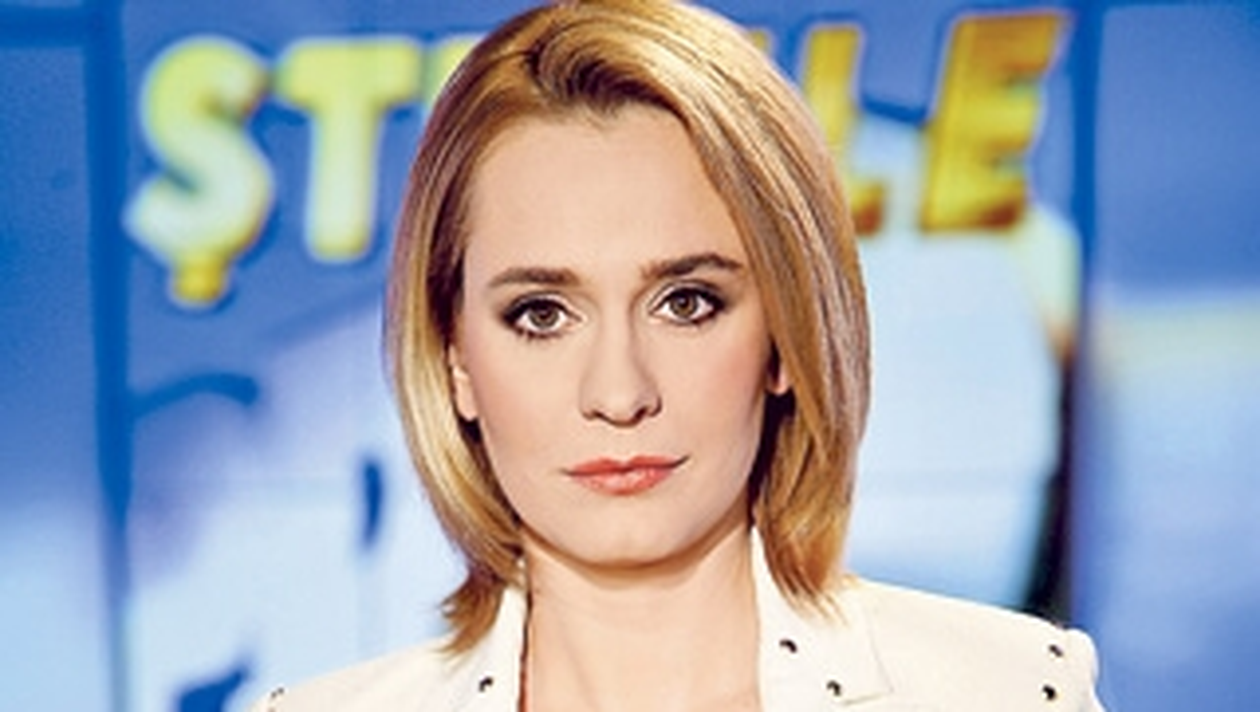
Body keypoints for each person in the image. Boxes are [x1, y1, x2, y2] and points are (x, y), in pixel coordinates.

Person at [253, 0, 1105, 709]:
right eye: (542, 315)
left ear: (785, 337)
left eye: (686, 303)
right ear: (456, 361)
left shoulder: (1005, 691)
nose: (619, 393)